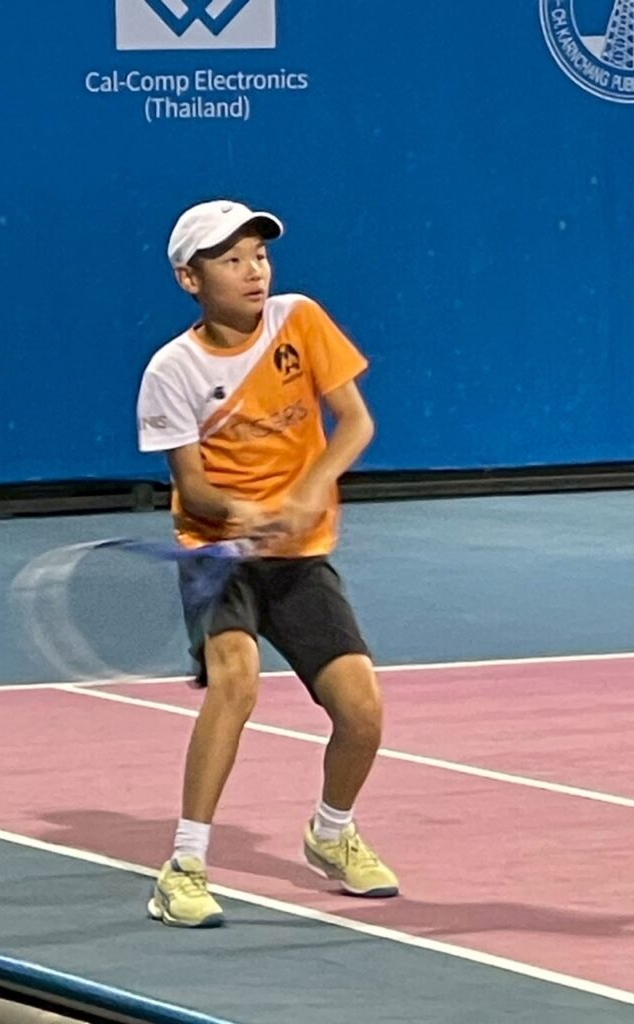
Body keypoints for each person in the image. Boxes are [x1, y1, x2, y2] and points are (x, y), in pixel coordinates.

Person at [136, 198, 398, 927]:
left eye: (259, 255)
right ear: (191, 279)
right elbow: (193, 489)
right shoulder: (172, 370)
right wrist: (244, 513)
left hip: (299, 556)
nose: (254, 271)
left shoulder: (299, 320)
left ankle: (331, 832)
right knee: (236, 683)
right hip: (217, 556)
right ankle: (183, 868)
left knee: (362, 711)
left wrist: (310, 491)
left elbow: (356, 422)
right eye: (231, 260)